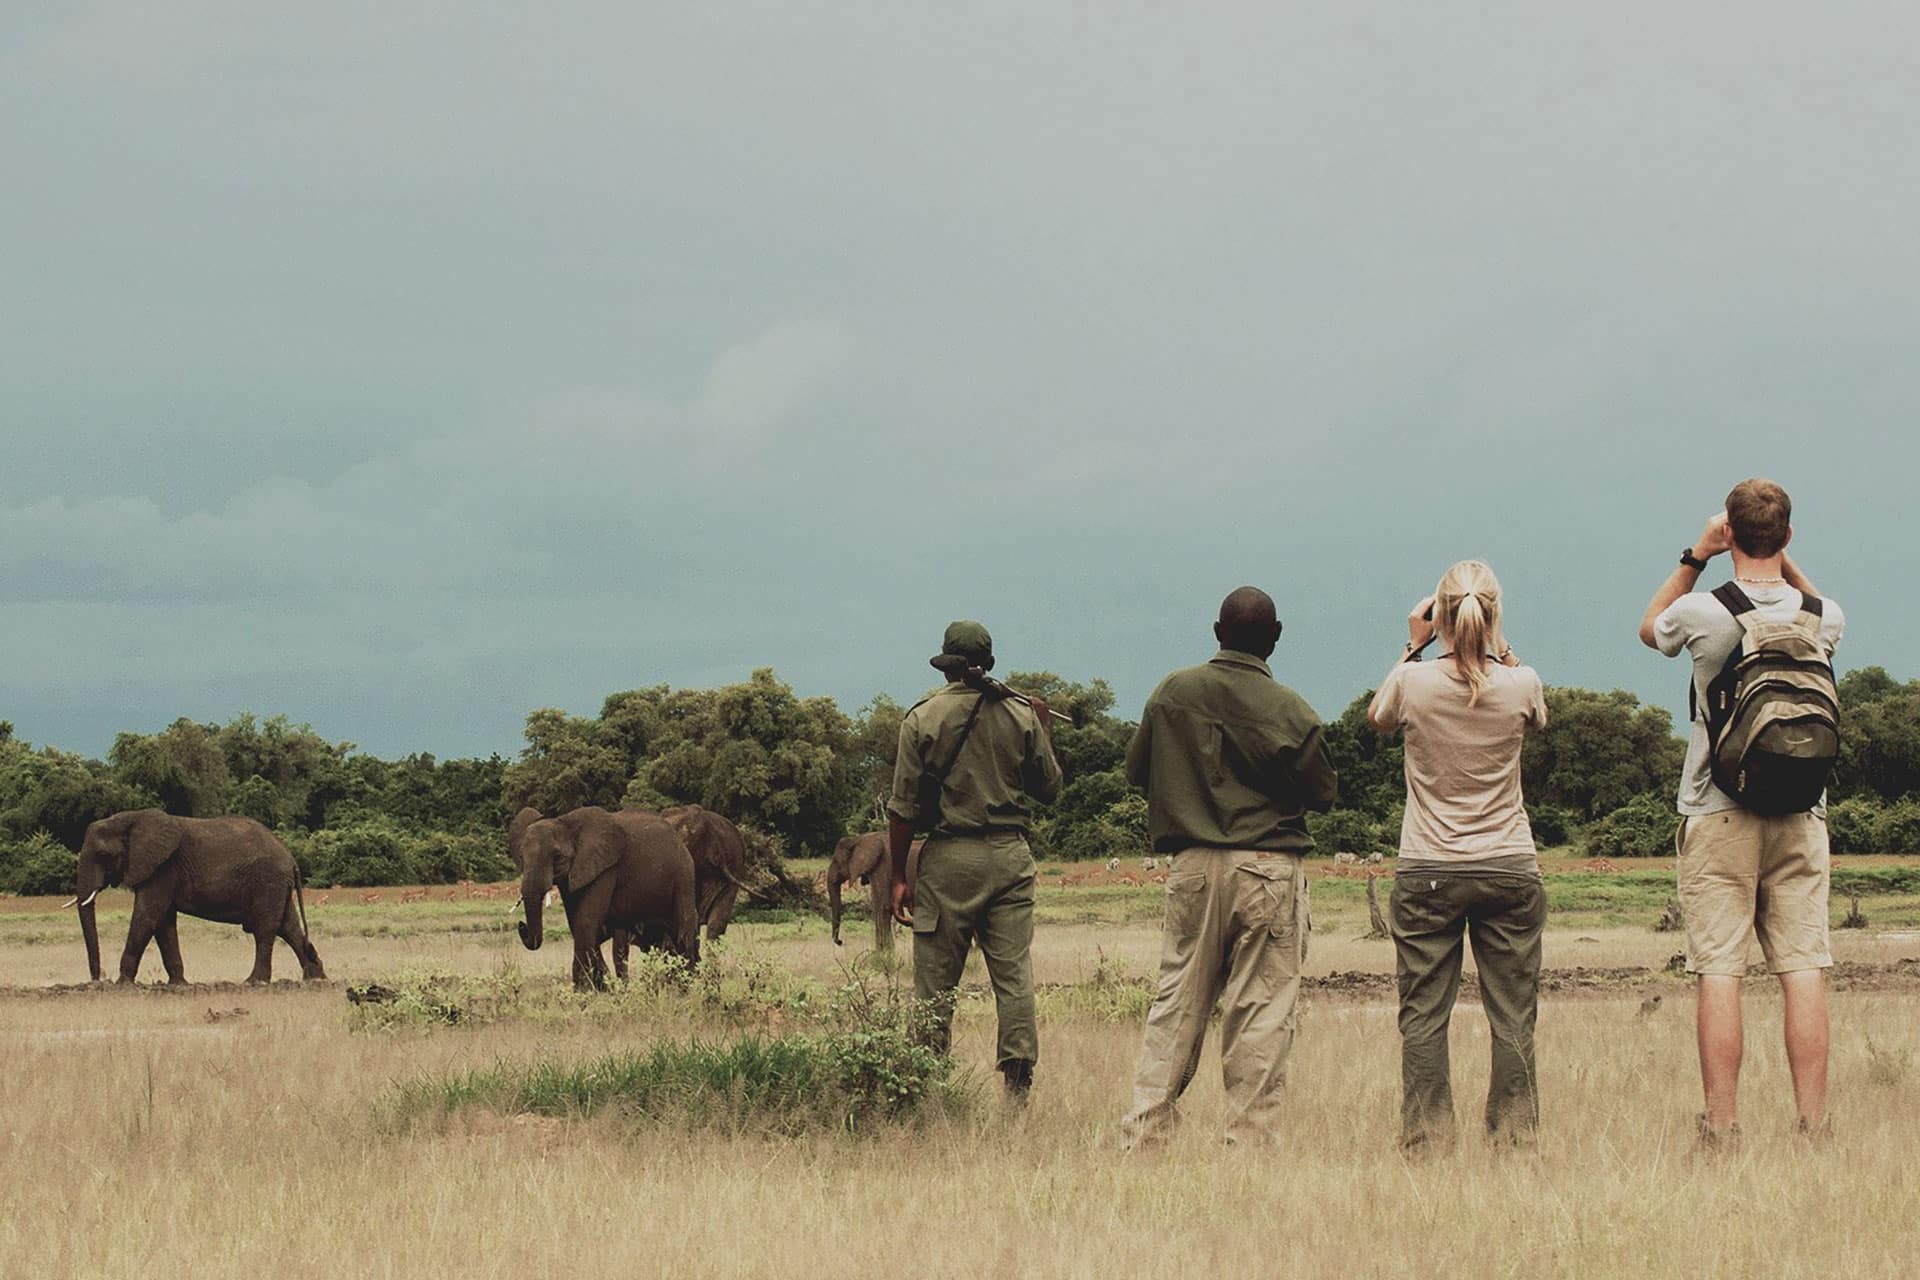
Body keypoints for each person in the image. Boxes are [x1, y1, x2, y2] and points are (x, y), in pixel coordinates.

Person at [1639, 479, 1844, 1148]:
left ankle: (1722, 1128)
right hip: (1801, 814)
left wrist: (1697, 554)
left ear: (1729, 532)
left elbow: (1650, 629)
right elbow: (1811, 601)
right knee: (1802, 969)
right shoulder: (1823, 615)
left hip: (1717, 809)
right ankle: (1812, 1126)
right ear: (1785, 537)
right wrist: (1780, 559)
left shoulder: (1703, 611)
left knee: (1720, 971)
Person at [1120, 586, 1338, 1148]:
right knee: (1262, 1010)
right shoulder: (1291, 708)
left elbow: (1136, 771)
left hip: (1191, 863)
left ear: (1217, 632)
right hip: (1267, 867)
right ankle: (1249, 1144)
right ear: (1276, 638)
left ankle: (1145, 1135)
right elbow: (1323, 792)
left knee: (1176, 1001)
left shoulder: (1173, 691)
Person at [1367, 561, 1549, 1153]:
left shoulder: (1413, 682)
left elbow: (1377, 717)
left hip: (1427, 868)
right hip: (1509, 865)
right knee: (1513, 1014)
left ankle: (1426, 1142)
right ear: (1493, 615)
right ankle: (1514, 1141)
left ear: (1439, 616)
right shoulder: (1523, 684)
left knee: (1422, 1013)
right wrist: (1500, 646)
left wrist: (1412, 646)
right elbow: (1537, 717)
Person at [887, 621, 1063, 1097]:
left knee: (935, 983)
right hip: (1010, 857)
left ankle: (923, 1087)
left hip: (948, 859)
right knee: (1013, 977)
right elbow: (1049, 789)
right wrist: (1043, 729)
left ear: (945, 662)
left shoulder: (921, 718)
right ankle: (1017, 1090)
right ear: (989, 661)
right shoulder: (1021, 714)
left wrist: (899, 877)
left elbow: (903, 809)